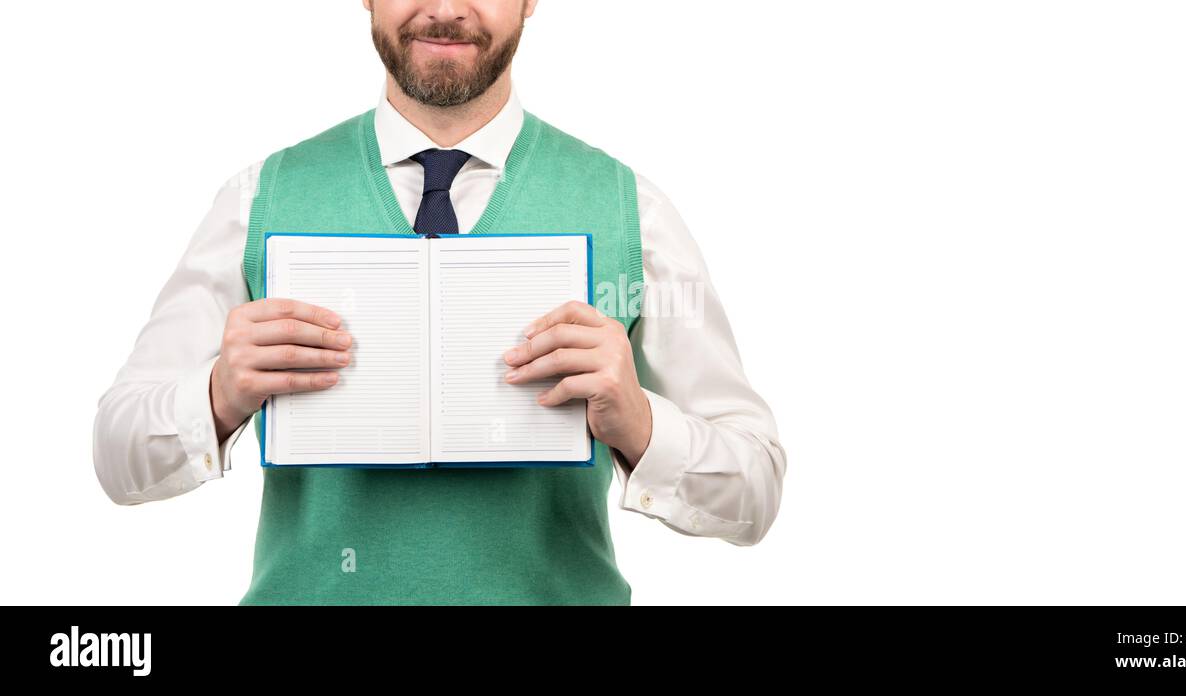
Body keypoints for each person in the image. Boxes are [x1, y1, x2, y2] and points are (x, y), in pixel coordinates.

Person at [93, 0, 785, 605]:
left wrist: (639, 425)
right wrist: (216, 396)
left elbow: (754, 491)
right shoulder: (255, 199)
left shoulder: (634, 210)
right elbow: (116, 453)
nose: (445, 7)